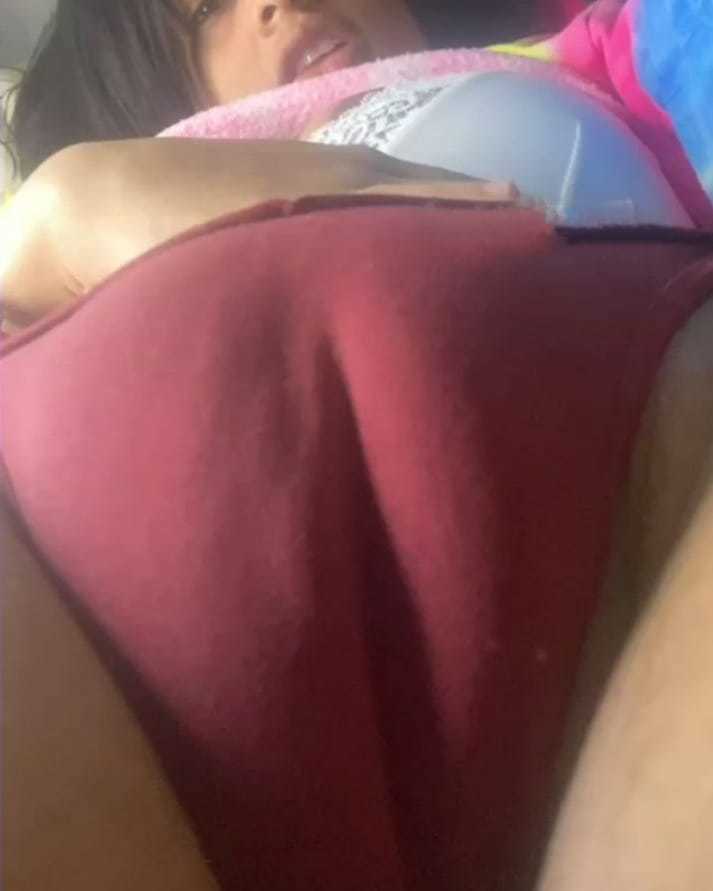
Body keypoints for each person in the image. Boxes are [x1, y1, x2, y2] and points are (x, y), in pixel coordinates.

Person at [5, 2, 713, 890]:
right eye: (204, 15)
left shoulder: (588, 51)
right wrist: (45, 222)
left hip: (643, 514)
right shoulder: (75, 215)